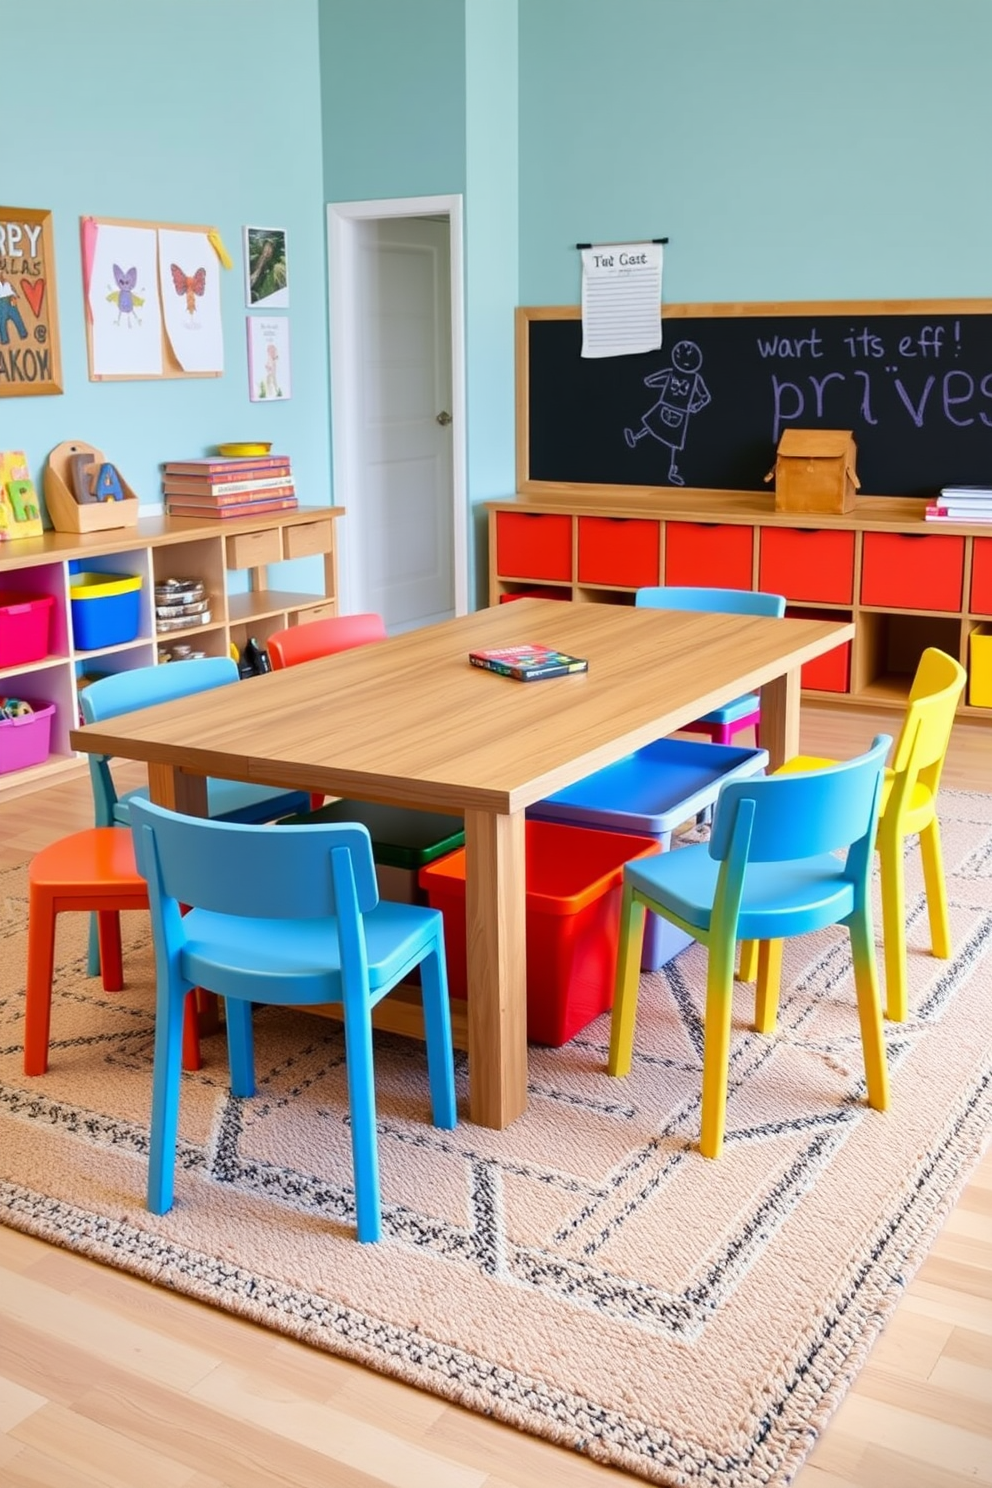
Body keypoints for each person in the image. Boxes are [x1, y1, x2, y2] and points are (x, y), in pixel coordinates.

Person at [624, 339, 711, 485]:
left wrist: (696, 406)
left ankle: (671, 470)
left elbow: (652, 380)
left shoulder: (690, 377)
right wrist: (696, 406)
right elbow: (654, 380)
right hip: (672, 408)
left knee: (664, 436)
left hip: (677, 411)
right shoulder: (684, 376)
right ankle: (636, 437)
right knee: (657, 430)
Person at [0, 278, 28, 345]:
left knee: (17, 317)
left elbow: (12, 290)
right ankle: (4, 339)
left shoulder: (7, 283)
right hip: (1, 303)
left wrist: (14, 296)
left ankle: (23, 333)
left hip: (10, 301)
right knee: (2, 321)